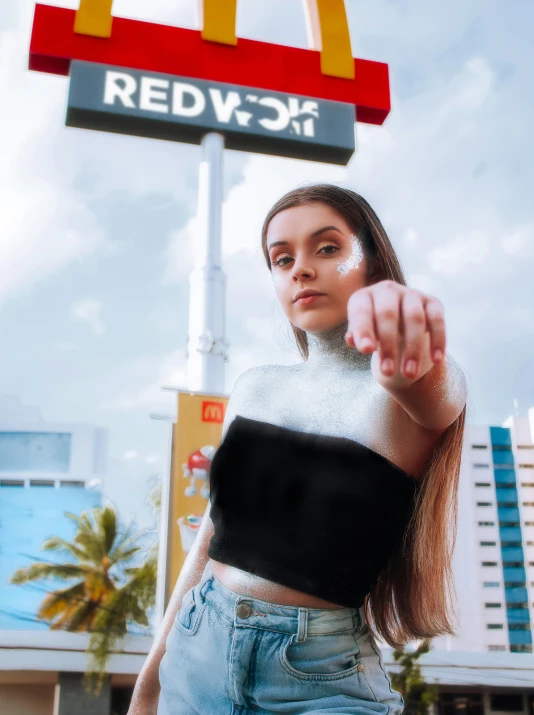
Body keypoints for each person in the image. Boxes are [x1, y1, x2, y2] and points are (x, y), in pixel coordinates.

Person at [128, 184, 468, 715]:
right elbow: (209, 541)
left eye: (327, 248)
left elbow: (432, 386)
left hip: (321, 676)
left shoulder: (402, 396)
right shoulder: (254, 387)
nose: (300, 269)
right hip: (197, 649)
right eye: (281, 258)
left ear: (374, 262)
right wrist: (149, 681)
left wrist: (408, 336)